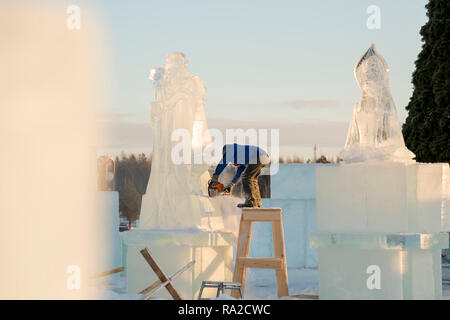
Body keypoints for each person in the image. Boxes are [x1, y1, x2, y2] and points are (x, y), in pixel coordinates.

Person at [211, 144, 271, 208]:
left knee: (247, 178)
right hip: (265, 158)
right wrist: (232, 185)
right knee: (252, 180)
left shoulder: (231, 149)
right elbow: (239, 173)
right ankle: (257, 203)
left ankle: (250, 203)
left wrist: (216, 175)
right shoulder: (242, 155)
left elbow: (224, 162)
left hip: (258, 156)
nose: (233, 163)